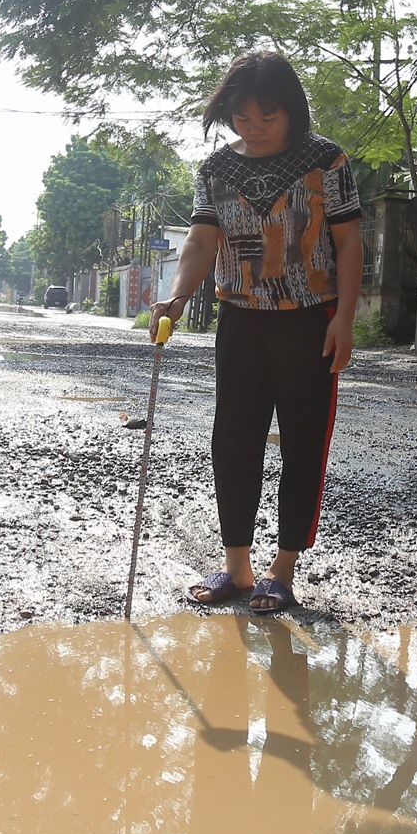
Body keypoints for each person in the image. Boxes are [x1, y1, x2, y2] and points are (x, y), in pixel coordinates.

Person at [149, 51, 363, 613]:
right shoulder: (216, 169)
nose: (255, 128)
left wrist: (345, 318)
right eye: (243, 119)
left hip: (310, 319)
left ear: (291, 110)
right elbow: (200, 241)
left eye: (267, 116)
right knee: (234, 440)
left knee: (303, 442)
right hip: (240, 318)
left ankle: (283, 568)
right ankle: (237, 566)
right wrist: (178, 293)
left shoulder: (326, 160)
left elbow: (348, 242)